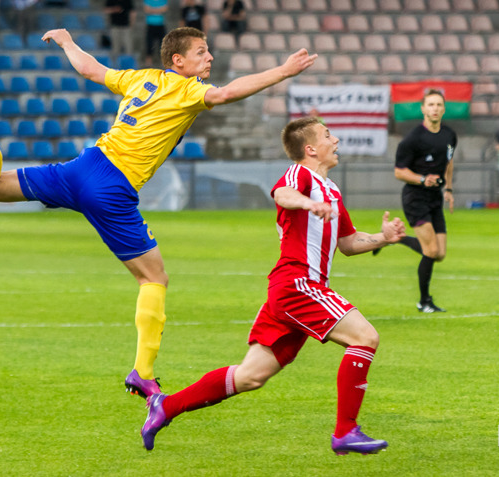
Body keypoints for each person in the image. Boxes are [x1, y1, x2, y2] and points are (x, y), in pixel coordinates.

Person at [0, 27, 317, 404]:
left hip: (83, 167)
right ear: (178, 61)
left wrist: (68, 41)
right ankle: (143, 373)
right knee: (153, 277)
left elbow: (89, 70)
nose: (210, 58)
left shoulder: (140, 79)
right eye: (202, 52)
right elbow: (228, 92)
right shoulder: (187, 89)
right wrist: (283, 71)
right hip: (112, 187)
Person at [140, 117, 405, 454]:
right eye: (328, 135)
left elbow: (348, 242)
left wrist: (384, 237)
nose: (335, 140)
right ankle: (345, 432)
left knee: (250, 376)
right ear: (310, 149)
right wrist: (307, 203)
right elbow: (282, 193)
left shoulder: (332, 190)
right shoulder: (302, 175)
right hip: (298, 283)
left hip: (292, 290)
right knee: (365, 337)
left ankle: (165, 406)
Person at [375, 89, 455, 313]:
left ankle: (396, 240)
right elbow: (399, 172)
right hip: (415, 197)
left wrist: (448, 188)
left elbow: (449, 162)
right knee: (430, 251)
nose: (435, 109)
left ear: (444, 108)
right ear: (423, 109)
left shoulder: (449, 135)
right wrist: (422, 179)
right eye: (430, 105)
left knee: (439, 254)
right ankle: (424, 301)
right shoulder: (413, 139)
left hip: (435, 197)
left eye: (439, 104)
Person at [143, 0, 168, 67]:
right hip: (150, 24)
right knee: (149, 44)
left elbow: (165, 9)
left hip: (160, 24)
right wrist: (158, 10)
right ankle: (148, 63)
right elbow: (146, 10)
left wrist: (152, 10)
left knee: (162, 44)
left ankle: (162, 62)